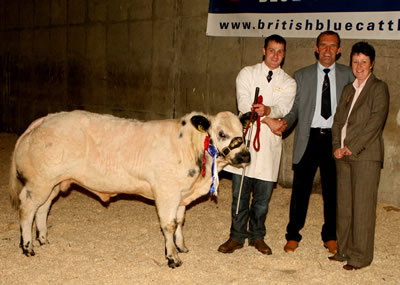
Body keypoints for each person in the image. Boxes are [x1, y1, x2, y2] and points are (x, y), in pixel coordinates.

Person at [218, 34, 296, 255]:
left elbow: (284, 107)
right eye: (271, 50)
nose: (275, 55)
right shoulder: (247, 73)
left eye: (280, 51)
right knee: (239, 193)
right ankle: (236, 236)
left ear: (284, 54)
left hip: (269, 145)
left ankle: (257, 236)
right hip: (245, 141)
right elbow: (244, 105)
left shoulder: (288, 82)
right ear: (264, 50)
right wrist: (269, 120)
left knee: (262, 199)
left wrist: (269, 112)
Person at [278, 31, 355, 254]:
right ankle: (293, 235)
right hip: (309, 137)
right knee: (300, 190)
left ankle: (330, 235)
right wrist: (284, 122)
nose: (328, 50)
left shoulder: (349, 75)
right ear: (316, 48)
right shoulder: (301, 76)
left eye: (333, 46)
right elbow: (294, 110)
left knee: (333, 191)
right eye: (324, 45)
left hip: (334, 140)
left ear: (339, 50)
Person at [329, 42, 389, 270]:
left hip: (365, 156)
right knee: (344, 207)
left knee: (362, 207)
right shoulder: (348, 89)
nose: (359, 66)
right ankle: (343, 250)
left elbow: (375, 123)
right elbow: (337, 121)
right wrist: (336, 145)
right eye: (355, 61)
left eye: (364, 61)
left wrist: (351, 146)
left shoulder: (378, 88)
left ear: (372, 64)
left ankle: (361, 257)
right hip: (342, 155)